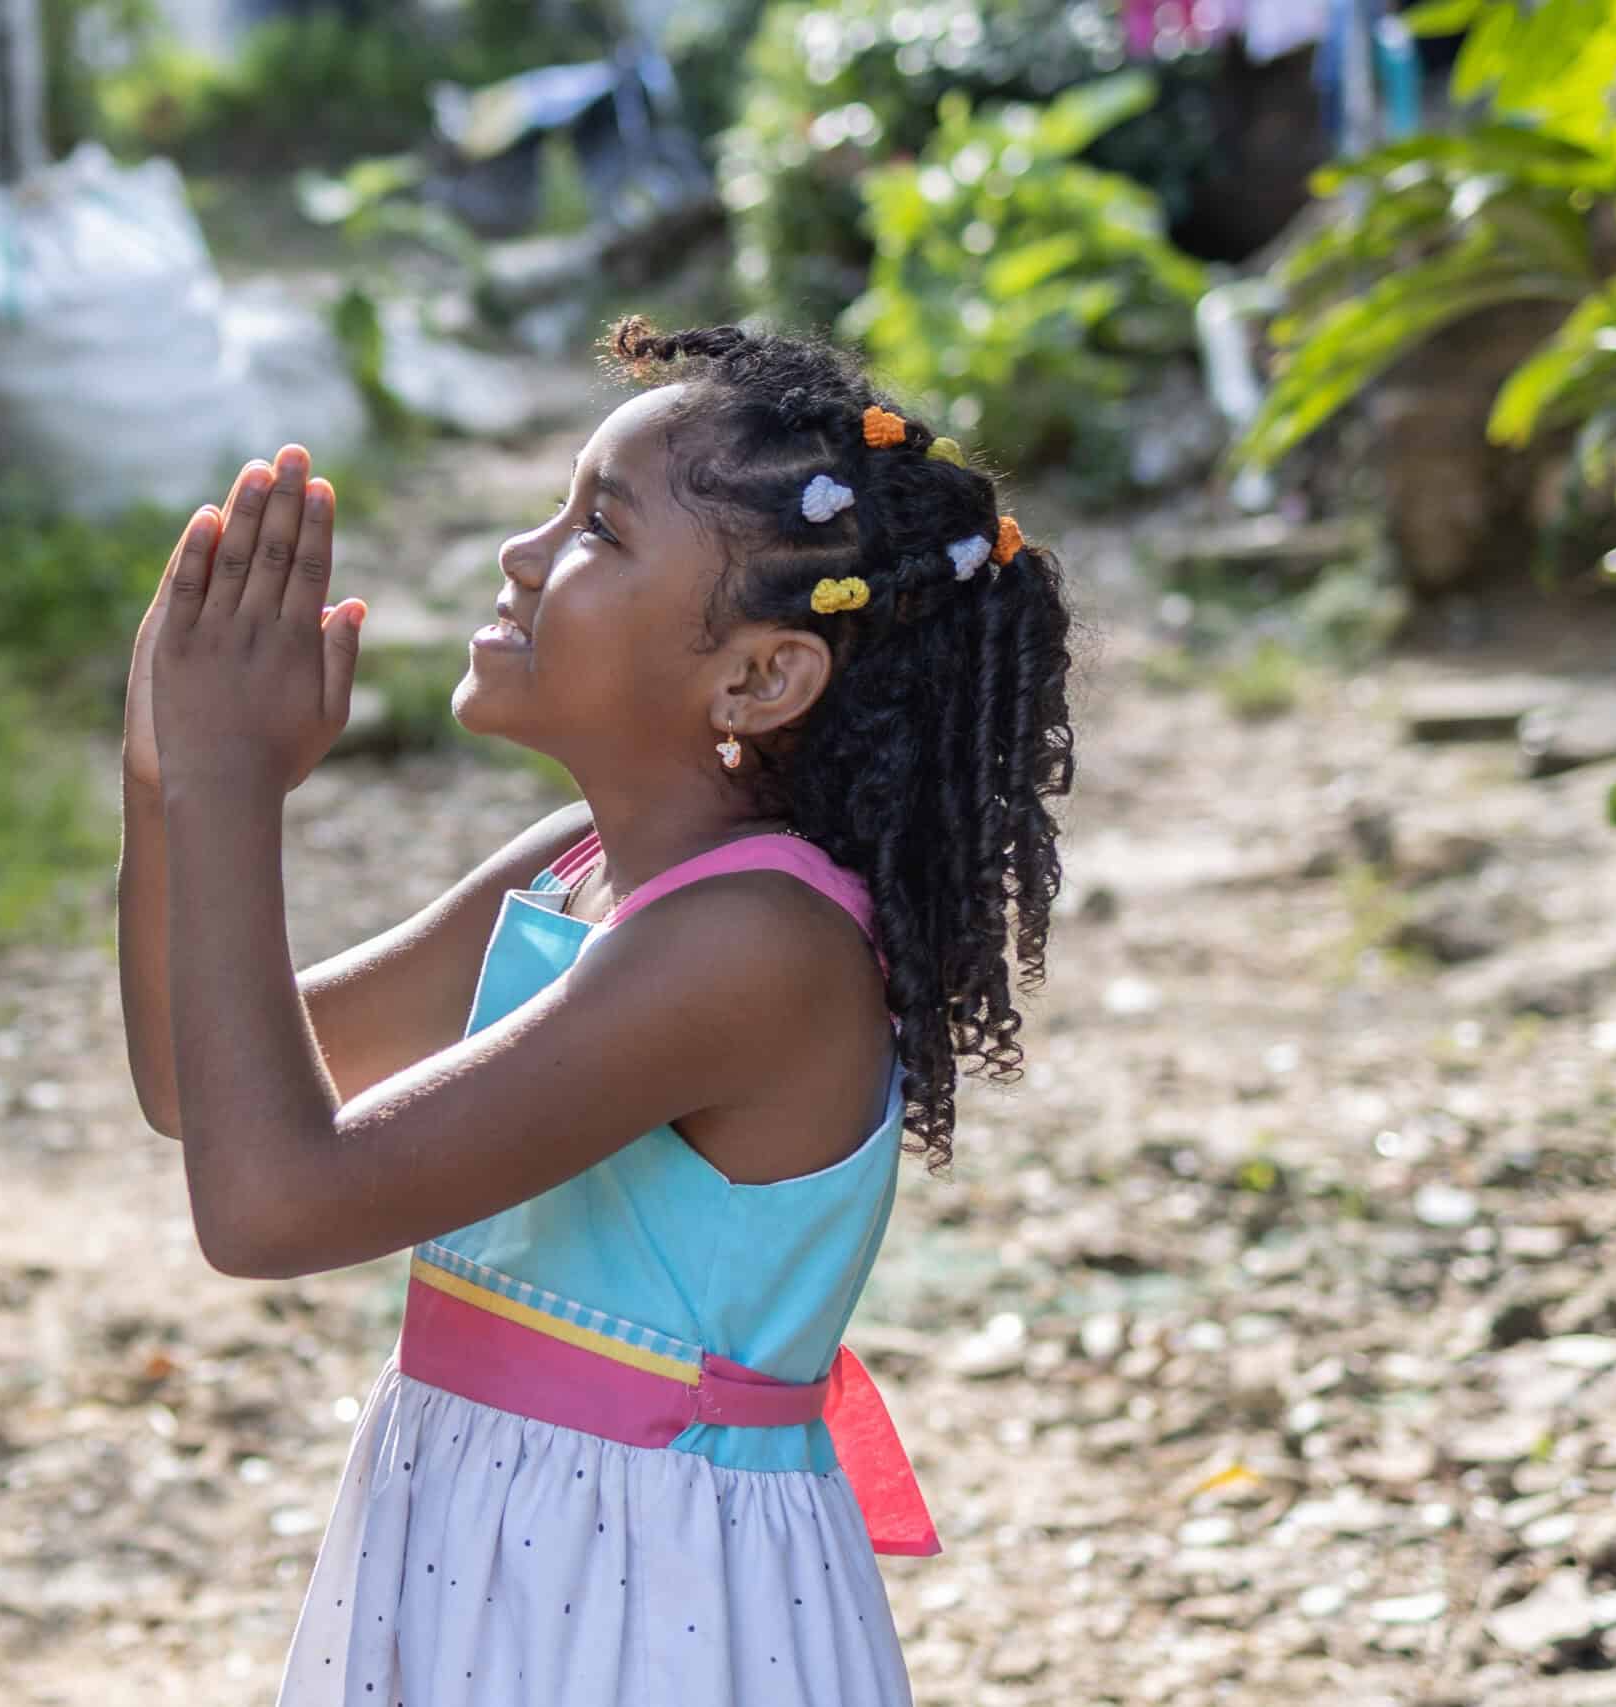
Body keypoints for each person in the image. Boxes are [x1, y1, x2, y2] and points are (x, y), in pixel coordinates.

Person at [118, 315, 1076, 1706]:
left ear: (758, 676)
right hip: (494, 1552)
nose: (522, 552)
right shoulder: (578, 866)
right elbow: (194, 1099)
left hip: (649, 1602)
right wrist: (166, 786)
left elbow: (269, 1209)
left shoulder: (755, 947)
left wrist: (233, 794)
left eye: (598, 531)